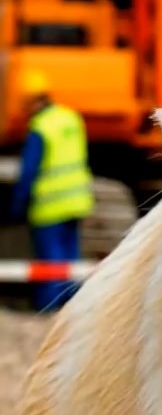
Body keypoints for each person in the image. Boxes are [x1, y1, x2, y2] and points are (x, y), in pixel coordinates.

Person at [11, 70, 95, 312]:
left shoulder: (40, 127)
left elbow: (29, 171)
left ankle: (50, 310)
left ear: (30, 102)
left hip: (50, 204)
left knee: (51, 259)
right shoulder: (70, 118)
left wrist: (16, 205)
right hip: (77, 200)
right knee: (71, 258)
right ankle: (72, 309)